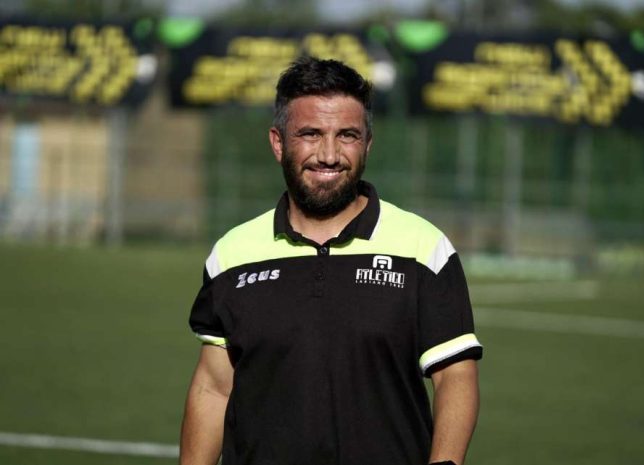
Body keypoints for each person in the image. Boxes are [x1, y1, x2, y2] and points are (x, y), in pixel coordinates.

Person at [180, 56, 483, 465]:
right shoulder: (231, 255)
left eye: (347, 136)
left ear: (367, 144)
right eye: (310, 134)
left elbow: (455, 377)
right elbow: (215, 386)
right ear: (278, 143)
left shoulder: (424, 249)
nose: (328, 154)